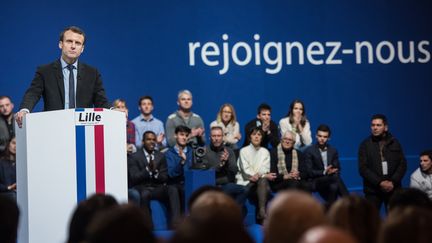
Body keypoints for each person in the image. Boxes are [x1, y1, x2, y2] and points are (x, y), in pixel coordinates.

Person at [15, 26, 110, 127]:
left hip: (83, 130)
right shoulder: (45, 71)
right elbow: (33, 93)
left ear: (82, 49)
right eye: (69, 41)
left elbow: (101, 100)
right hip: (54, 127)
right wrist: (24, 109)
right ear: (61, 44)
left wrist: (113, 111)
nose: (73, 46)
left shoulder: (92, 73)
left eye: (78, 43)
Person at [127, 130, 181, 228]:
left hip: (156, 188)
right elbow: (134, 178)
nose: (152, 142)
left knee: (172, 189)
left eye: (153, 139)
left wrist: (156, 173)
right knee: (145, 194)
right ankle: (147, 226)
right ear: (143, 142)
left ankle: (176, 223)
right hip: (141, 187)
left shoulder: (160, 156)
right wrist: (147, 170)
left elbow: (164, 178)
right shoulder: (134, 157)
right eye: (148, 139)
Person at [358, 114, 407, 210]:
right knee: (370, 221)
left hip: (393, 189)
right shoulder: (365, 145)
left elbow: (402, 164)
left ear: (386, 127)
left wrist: (392, 182)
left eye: (378, 125)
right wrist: (380, 182)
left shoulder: (395, 142)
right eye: (373, 125)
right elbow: (363, 168)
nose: (375, 128)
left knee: (395, 221)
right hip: (373, 191)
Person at [236, 127, 275, 220]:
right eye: (254, 134)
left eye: (259, 135)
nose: (256, 137)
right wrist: (261, 175)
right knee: (266, 187)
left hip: (259, 181)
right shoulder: (243, 151)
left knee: (263, 181)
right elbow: (246, 170)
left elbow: (265, 168)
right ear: (250, 137)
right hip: (246, 181)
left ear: (262, 138)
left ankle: (261, 211)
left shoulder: (265, 152)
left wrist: (260, 175)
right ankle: (261, 213)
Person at [304, 124, 349, 205]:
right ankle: (349, 201)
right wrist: (324, 172)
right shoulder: (309, 151)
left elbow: (337, 168)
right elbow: (309, 172)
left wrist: (333, 171)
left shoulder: (333, 151)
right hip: (315, 181)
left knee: (334, 186)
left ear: (329, 138)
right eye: (320, 136)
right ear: (316, 136)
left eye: (325, 137)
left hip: (330, 179)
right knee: (335, 179)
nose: (322, 139)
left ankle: (332, 209)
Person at [201, 126, 246, 205]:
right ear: (210, 137)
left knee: (244, 190)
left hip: (226, 185)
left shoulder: (229, 151)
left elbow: (234, 170)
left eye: (219, 136)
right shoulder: (204, 151)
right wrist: (220, 164)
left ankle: (233, 211)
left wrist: (227, 161)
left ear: (223, 137)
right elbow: (204, 173)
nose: (216, 138)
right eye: (214, 136)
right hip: (211, 185)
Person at [165, 125, 193, 206]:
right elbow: (171, 173)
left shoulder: (192, 152)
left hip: (190, 183)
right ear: (175, 135)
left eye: (186, 135)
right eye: (181, 134)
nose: (184, 137)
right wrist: (182, 162)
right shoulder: (169, 154)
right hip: (176, 184)